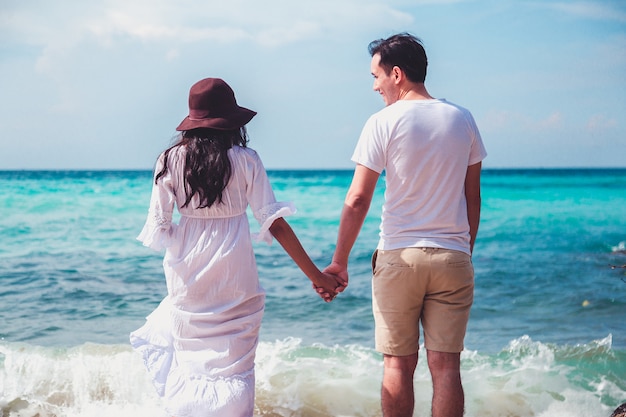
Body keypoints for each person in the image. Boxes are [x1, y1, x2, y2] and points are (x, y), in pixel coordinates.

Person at [130, 77, 343, 417]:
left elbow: (160, 226)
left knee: (191, 366)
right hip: (235, 273)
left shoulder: (169, 160)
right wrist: (316, 276)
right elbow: (274, 222)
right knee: (236, 367)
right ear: (231, 121)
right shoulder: (246, 160)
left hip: (187, 276)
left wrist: (191, 233)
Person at [322, 33, 487, 417]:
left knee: (397, 364)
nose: (374, 86)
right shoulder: (463, 119)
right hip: (452, 256)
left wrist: (339, 262)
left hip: (399, 257)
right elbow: (472, 196)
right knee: (446, 367)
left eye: (376, 76)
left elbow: (358, 199)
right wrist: (464, 249)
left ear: (397, 74)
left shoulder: (382, 121)